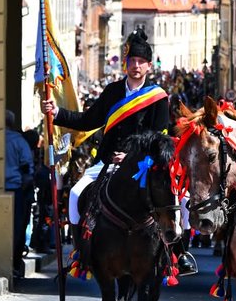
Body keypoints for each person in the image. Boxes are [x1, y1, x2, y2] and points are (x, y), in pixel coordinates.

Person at [39, 28, 193, 272]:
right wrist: (56, 113)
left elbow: (157, 136)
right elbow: (89, 120)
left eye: (141, 62)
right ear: (125, 63)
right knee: (77, 194)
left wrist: (132, 157)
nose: (136, 66)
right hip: (108, 162)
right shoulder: (112, 91)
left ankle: (178, 253)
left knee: (182, 201)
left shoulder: (158, 97)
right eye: (132, 61)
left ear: (149, 66)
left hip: (145, 165)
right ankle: (81, 252)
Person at [5, 110, 34, 282]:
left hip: (1, 186)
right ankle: (14, 264)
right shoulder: (18, 141)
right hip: (16, 189)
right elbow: (27, 167)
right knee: (17, 228)